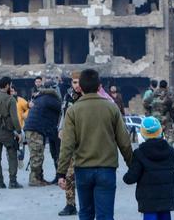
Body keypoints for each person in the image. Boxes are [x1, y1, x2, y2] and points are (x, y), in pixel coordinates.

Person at [56, 69, 133, 220]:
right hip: (106, 169)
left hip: (83, 169)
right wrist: (133, 166)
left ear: (81, 88)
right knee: (105, 215)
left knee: (85, 213)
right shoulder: (112, 108)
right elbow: (124, 142)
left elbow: (67, 144)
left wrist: (61, 172)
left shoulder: (73, 110)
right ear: (99, 87)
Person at [123, 117, 174, 220]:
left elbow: (131, 177)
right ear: (160, 131)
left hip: (148, 199)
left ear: (143, 134)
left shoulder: (139, 153)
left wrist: (125, 178)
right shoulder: (169, 150)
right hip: (166, 197)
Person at [23, 79, 62, 186]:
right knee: (37, 155)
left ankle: (39, 178)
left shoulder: (40, 97)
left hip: (34, 128)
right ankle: (35, 179)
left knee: (37, 154)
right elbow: (62, 109)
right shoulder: (51, 98)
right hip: (36, 129)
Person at [58, 71, 82, 217]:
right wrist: (60, 128)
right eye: (74, 82)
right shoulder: (68, 96)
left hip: (86, 141)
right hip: (71, 140)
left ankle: (91, 204)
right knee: (69, 174)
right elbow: (63, 114)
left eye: (79, 82)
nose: (77, 85)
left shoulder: (89, 96)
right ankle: (70, 204)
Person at [13, 86, 30, 169]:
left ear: (16, 92)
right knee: (11, 145)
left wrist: (24, 115)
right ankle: (12, 162)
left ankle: (20, 160)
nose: (11, 92)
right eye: (10, 91)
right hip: (9, 127)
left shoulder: (20, 100)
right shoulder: (6, 100)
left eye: (13, 91)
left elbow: (29, 108)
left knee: (21, 145)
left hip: (20, 127)